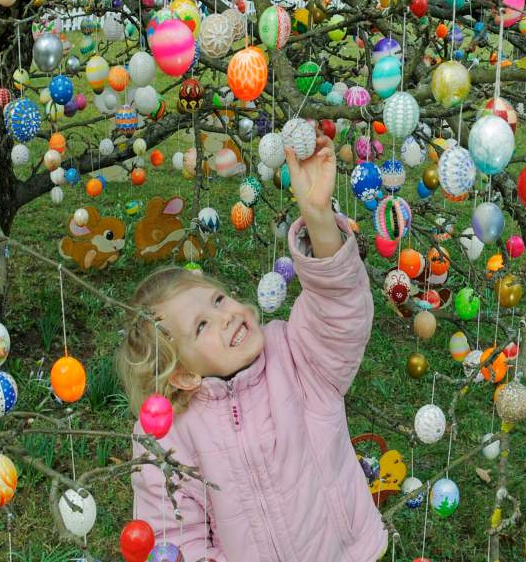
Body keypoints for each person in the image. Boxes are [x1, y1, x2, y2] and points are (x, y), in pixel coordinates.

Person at [115, 125, 386, 562]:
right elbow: (175, 538)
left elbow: (341, 310)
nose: (226, 316)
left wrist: (317, 215)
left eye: (219, 300)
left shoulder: (298, 356)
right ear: (182, 373)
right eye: (202, 326)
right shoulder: (167, 435)